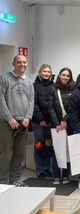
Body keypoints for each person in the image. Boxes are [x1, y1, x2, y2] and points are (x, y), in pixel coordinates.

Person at [0, 55, 34, 186]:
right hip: (6, 122)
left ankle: (15, 179)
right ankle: (3, 181)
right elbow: (1, 100)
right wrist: (9, 118)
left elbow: (31, 101)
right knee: (5, 153)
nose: (22, 64)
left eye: (24, 62)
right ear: (13, 63)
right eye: (19, 62)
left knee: (19, 153)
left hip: (23, 122)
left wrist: (28, 117)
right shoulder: (4, 78)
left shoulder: (29, 82)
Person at [32, 64, 62, 178]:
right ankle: (40, 169)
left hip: (51, 121)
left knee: (49, 145)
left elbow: (54, 104)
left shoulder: (54, 86)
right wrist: (40, 119)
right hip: (38, 121)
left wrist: (52, 120)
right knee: (39, 144)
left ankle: (47, 168)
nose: (46, 74)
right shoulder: (34, 86)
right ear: (40, 72)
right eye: (44, 71)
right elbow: (33, 104)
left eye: (48, 72)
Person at [51, 67, 76, 185]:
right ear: (59, 76)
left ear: (70, 78)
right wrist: (57, 123)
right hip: (56, 125)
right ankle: (56, 176)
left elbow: (73, 108)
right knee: (56, 151)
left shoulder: (74, 90)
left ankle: (66, 175)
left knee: (68, 150)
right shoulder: (53, 89)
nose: (65, 77)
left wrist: (65, 121)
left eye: (67, 75)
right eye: (63, 75)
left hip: (69, 124)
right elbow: (50, 108)